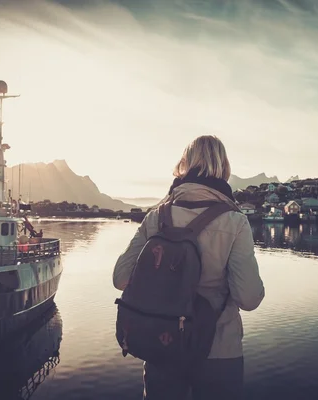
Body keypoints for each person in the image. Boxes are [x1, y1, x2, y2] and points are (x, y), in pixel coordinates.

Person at [113, 135, 265, 400]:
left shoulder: (157, 216)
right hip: (218, 349)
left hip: (162, 342)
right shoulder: (235, 221)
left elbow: (121, 278)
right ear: (224, 167)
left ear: (185, 164)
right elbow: (249, 299)